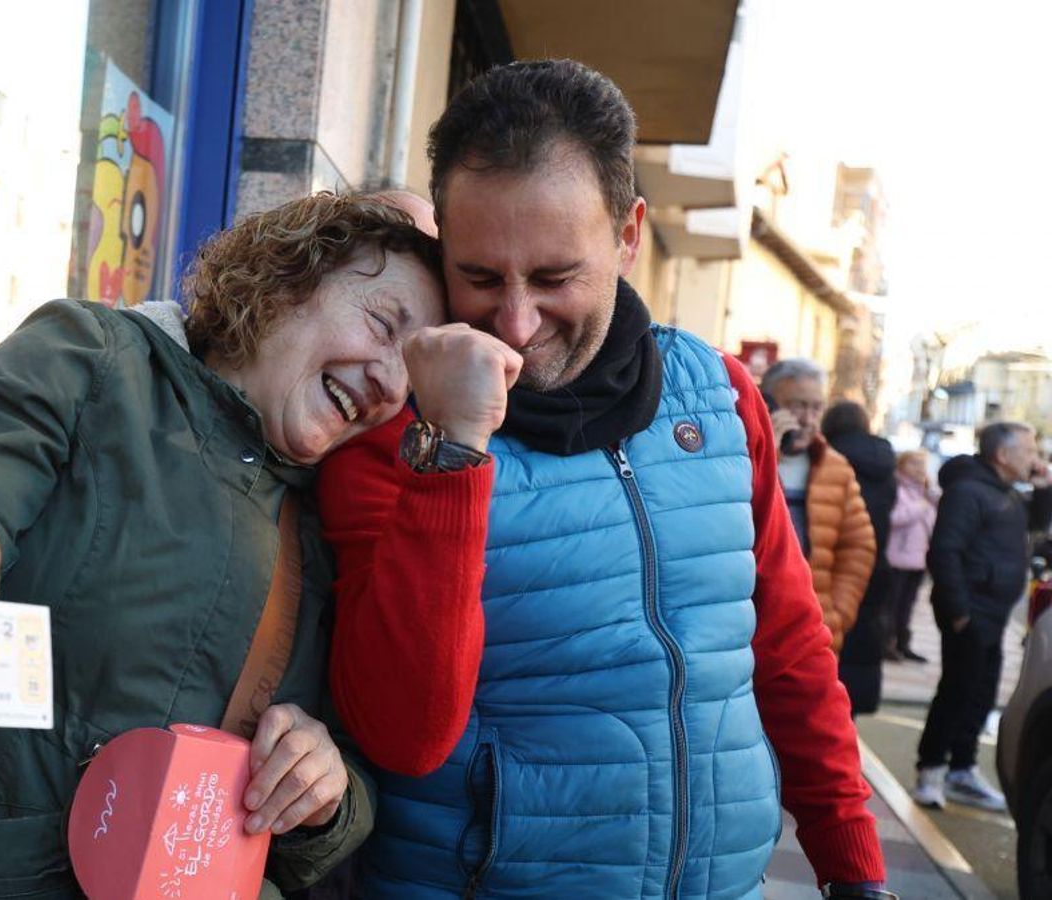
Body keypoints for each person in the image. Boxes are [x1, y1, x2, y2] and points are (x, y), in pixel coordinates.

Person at [317, 61, 889, 898]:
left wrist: (853, 864)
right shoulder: (394, 431)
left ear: (628, 235)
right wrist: (452, 449)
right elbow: (401, 734)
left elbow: (786, 646)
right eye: (479, 276)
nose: (516, 321)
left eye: (554, 278)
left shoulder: (723, 397)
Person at [0, 193, 446, 899]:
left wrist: (323, 791)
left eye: (411, 377)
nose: (388, 383)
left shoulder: (324, 526)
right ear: (289, 277)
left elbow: (339, 779)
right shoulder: (92, 356)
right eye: (384, 325)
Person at [913, 422, 1052, 811]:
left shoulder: (1005, 493)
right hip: (970, 611)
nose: (1035, 457)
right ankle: (931, 771)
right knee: (957, 690)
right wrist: (958, 612)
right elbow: (945, 551)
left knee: (982, 692)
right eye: (1029, 450)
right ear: (1002, 455)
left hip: (992, 614)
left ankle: (962, 769)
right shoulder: (968, 491)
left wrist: (1043, 489)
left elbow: (1037, 527)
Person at [761, 361, 877, 654]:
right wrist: (767, 451)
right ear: (768, 402)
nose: (807, 419)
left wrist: (836, 615)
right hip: (751, 626)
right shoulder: (743, 459)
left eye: (816, 408)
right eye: (797, 406)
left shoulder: (834, 467)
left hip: (811, 635)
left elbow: (858, 547)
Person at [821, 400, 897, 714]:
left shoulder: (827, 460)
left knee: (833, 639)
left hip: (832, 560)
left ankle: (830, 704)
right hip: (876, 563)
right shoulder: (885, 465)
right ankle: (851, 710)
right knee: (864, 635)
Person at [885, 450, 938, 662]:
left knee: (908, 605)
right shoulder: (896, 488)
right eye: (914, 463)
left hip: (918, 559)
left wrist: (930, 496)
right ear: (901, 465)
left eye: (922, 464)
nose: (919, 468)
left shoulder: (924, 492)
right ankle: (887, 644)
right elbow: (894, 518)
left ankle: (903, 642)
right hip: (897, 557)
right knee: (892, 605)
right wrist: (921, 507)